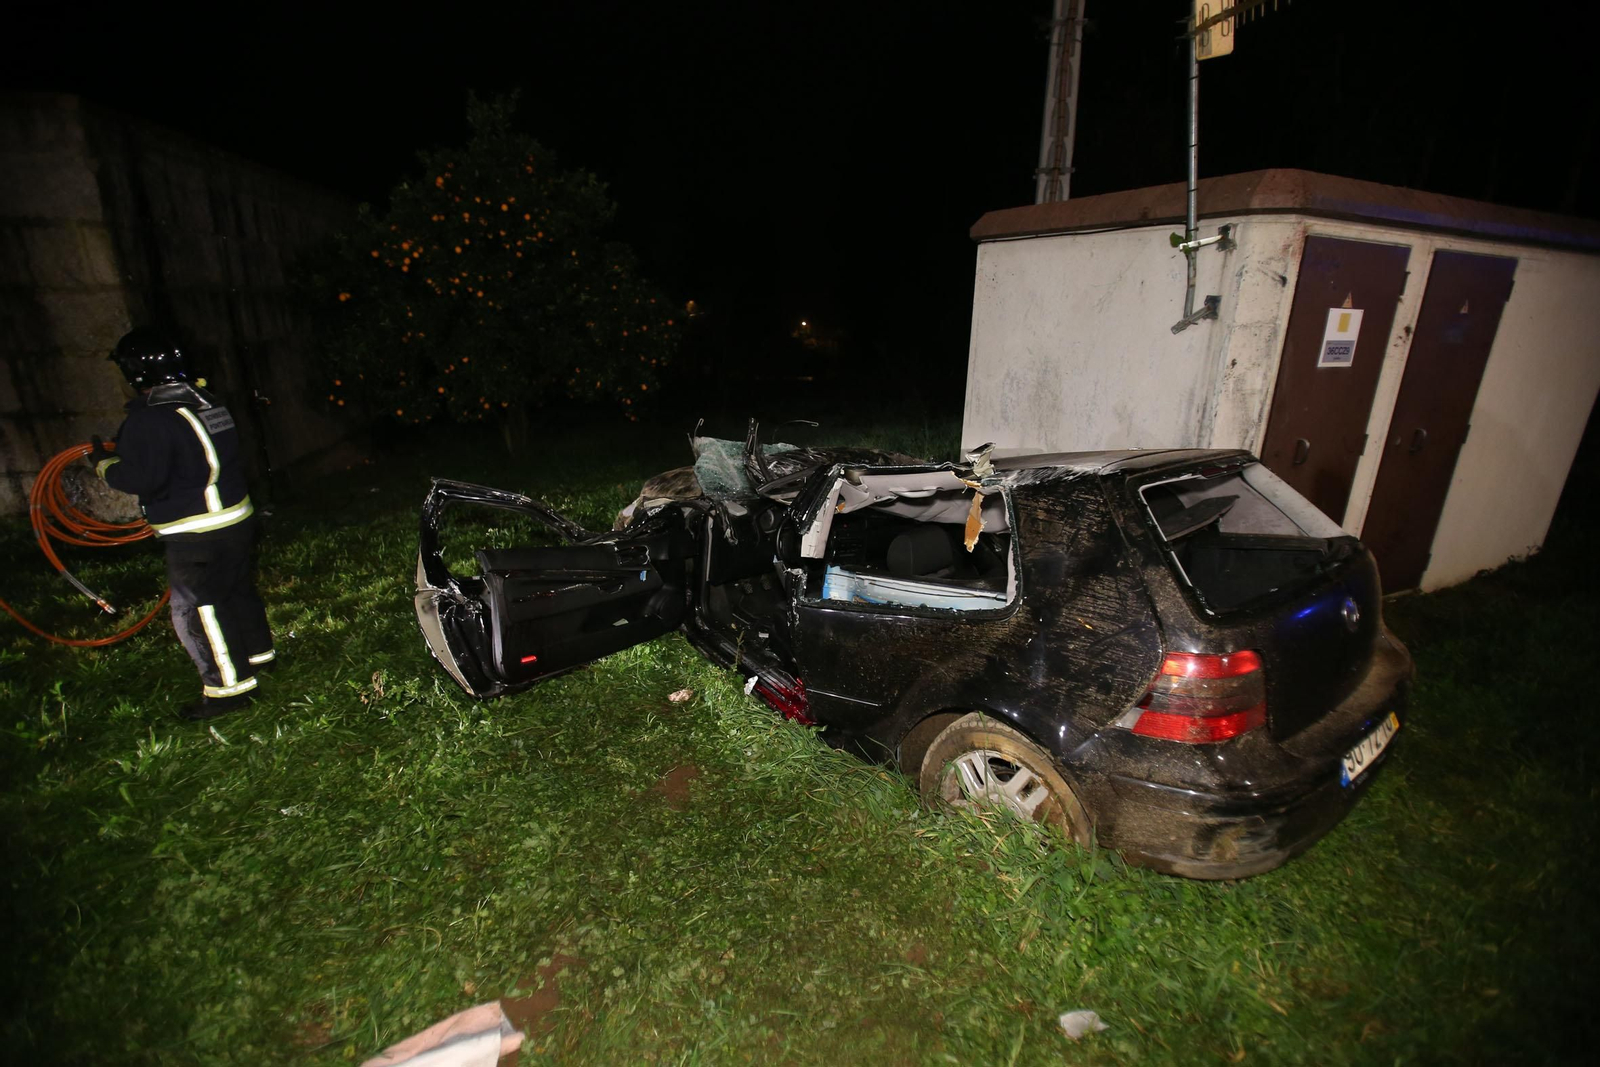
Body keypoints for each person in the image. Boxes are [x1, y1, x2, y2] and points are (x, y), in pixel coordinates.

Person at [92, 328, 274, 721]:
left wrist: (105, 465)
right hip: (236, 519)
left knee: (198, 609)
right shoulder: (208, 401)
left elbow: (144, 478)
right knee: (236, 590)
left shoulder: (150, 419)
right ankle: (260, 655)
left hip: (196, 531)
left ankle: (229, 691)